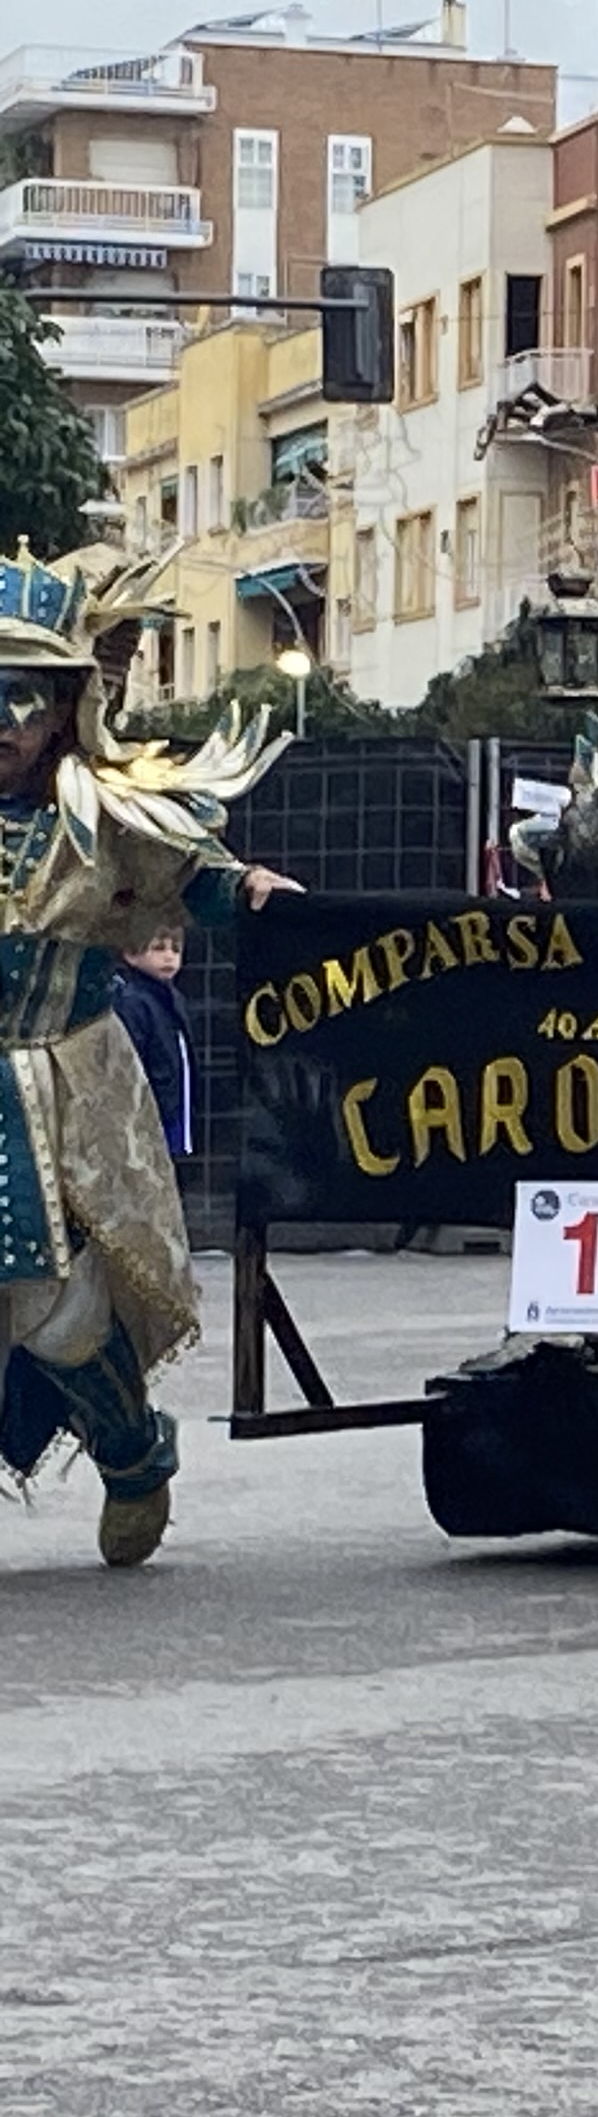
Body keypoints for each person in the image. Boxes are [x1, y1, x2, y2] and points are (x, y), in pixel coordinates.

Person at [0, 554, 296, 1566]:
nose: (1, 721)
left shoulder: (108, 816)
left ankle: (132, 1454)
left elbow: (201, 878)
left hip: (59, 1093)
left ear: (61, 708)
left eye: (22, 698)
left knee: (60, 1316)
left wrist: (252, 889)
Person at [114, 926, 192, 1158]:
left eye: (175, 950)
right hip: (150, 1109)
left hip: (174, 1106)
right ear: (131, 954)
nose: (169, 956)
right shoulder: (131, 1001)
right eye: (158, 948)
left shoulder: (173, 999)